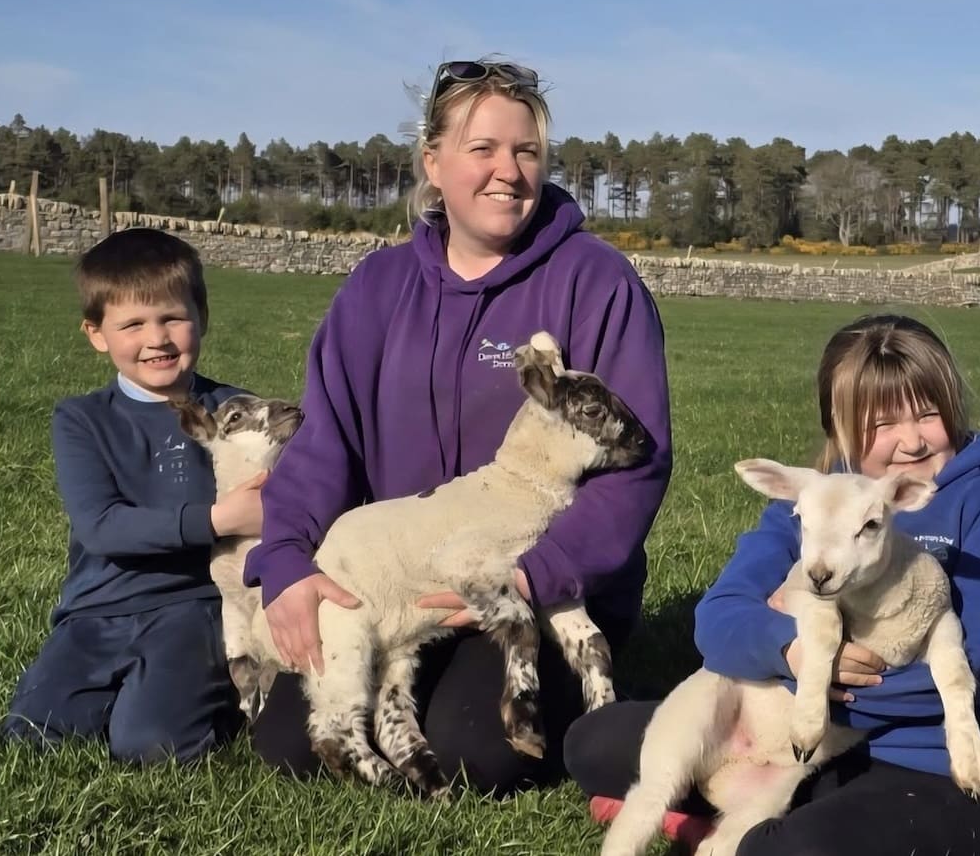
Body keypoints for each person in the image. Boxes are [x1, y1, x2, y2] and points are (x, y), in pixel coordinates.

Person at [244, 58, 673, 795]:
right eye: (483, 150)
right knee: (291, 742)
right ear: (433, 163)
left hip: (530, 583)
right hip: (398, 574)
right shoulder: (376, 288)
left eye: (526, 151)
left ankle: (579, 685)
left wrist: (534, 572)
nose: (508, 171)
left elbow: (637, 461)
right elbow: (323, 446)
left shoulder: (596, 282)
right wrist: (285, 563)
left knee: (479, 751)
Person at [566, 313, 980, 855]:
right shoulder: (818, 502)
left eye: (929, 414)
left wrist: (825, 683)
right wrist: (793, 653)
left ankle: (736, 820)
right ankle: (745, 805)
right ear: (842, 429)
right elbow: (718, 620)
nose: (913, 441)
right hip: (817, 739)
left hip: (938, 764)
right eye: (881, 425)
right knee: (592, 742)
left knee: (785, 851)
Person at [0, 229, 256, 764]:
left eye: (172, 318)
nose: (156, 339)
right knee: (34, 736)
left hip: (194, 607)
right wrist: (218, 519)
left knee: (151, 745)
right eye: (132, 324)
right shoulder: (82, 419)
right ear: (96, 334)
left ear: (201, 316)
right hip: (96, 610)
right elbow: (103, 527)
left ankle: (226, 697)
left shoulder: (238, 413)